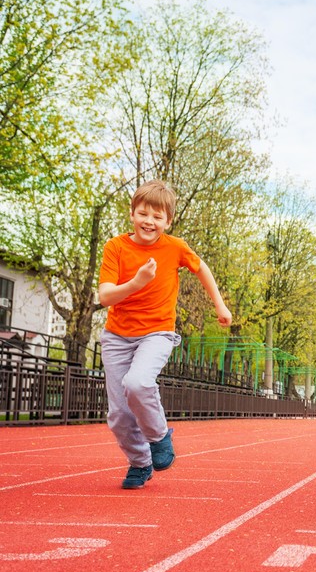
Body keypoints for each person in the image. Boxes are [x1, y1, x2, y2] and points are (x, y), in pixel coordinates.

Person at [98, 180, 232, 489]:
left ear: (167, 221)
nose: (149, 221)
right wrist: (138, 281)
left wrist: (220, 305)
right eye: (143, 214)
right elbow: (105, 296)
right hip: (117, 336)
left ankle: (159, 436)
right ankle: (140, 463)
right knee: (118, 415)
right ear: (132, 214)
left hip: (157, 333)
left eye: (157, 217)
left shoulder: (175, 246)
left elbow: (202, 268)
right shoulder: (116, 247)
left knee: (138, 382)